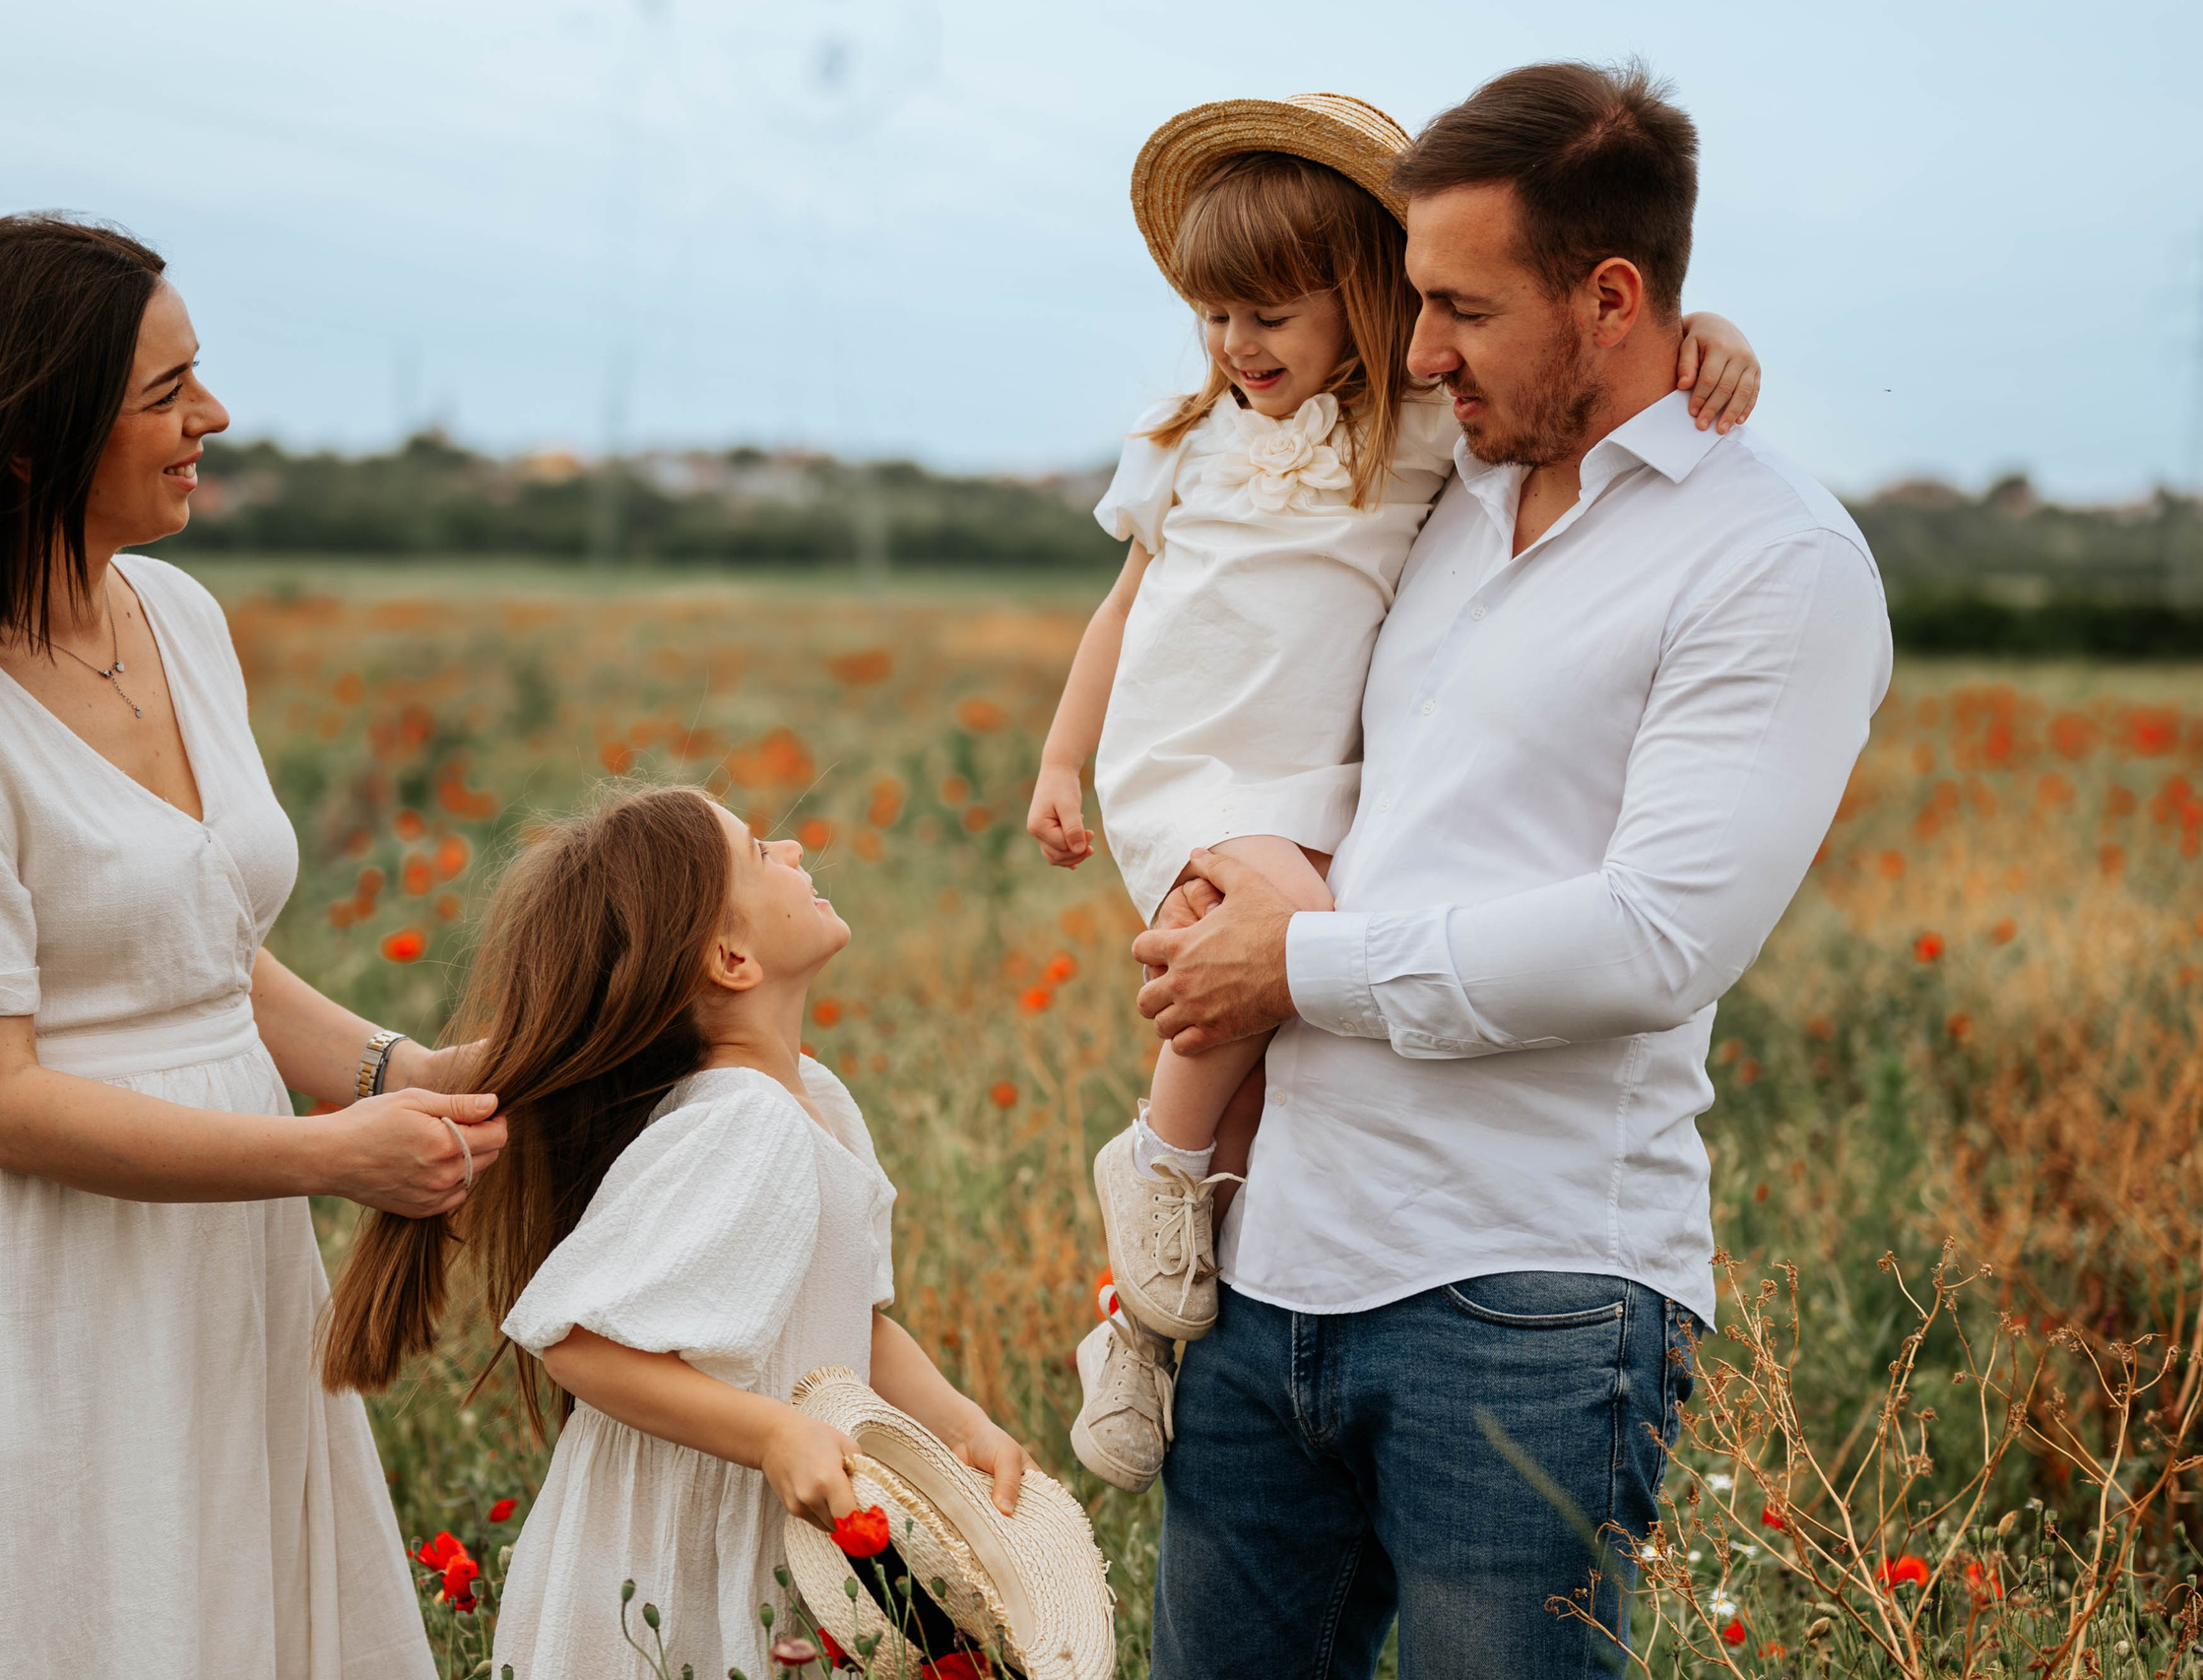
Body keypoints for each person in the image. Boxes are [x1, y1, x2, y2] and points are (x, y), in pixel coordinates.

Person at [1128, 63, 1895, 1677]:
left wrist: (1295, 962)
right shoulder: (1436, 489)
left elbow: (1656, 937)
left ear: (1613, 301)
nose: (1418, 351)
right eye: (1413, 302)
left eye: (1462, 307)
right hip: (1269, 1274)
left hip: (1527, 1298)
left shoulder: (1773, 562)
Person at [1023, 94, 1763, 1496]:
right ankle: (1156, 1161)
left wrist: (1707, 339)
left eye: (1271, 315)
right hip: (1188, 762)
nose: (1239, 347)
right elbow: (1123, 606)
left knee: (1265, 1061)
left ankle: (1137, 1332)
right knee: (1281, 937)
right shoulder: (1189, 438)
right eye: (1215, 316)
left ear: (1359, 299)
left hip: (1311, 779)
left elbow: (1584, 379)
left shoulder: (1417, 426)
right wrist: (1064, 758)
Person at [0, 214, 503, 1680]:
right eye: (165, 392)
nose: (215, 418)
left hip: (220, 1249)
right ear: (28, 436)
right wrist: (334, 1153)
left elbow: (202, 951)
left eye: (203, 375)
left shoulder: (178, 618)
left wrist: (402, 1068)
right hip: (37, 1272)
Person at [318, 785, 1037, 1680]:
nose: (793, 848)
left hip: (765, 1534)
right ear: (730, 957)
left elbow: (858, 1323)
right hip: (671, 1563)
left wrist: (959, 1427)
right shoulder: (742, 1124)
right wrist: (772, 1434)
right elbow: (580, 1345)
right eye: (759, 854)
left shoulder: (817, 1104)